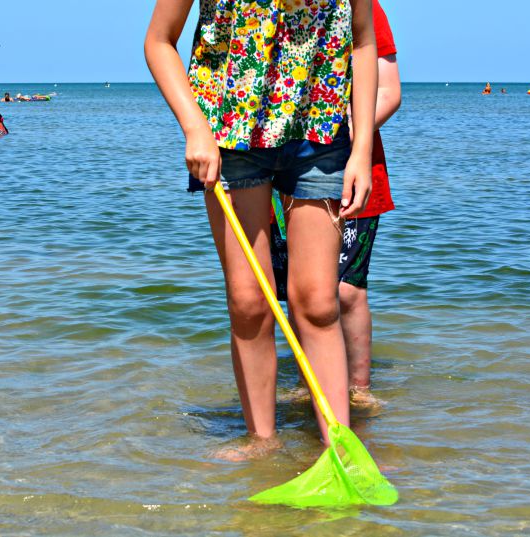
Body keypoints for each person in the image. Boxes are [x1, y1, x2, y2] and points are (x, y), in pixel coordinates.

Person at [145, 0, 378, 455]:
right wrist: (194, 127)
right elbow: (158, 42)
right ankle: (262, 446)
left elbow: (364, 41)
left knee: (317, 302)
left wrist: (362, 150)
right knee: (249, 302)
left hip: (321, 130)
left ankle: (341, 452)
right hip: (230, 135)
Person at [270, 0, 401, 409]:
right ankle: (315, 380)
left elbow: (389, 92)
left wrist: (337, 131)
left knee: (346, 290)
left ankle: (359, 387)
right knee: (302, 290)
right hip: (285, 167)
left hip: (352, 170)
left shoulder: (365, 8)